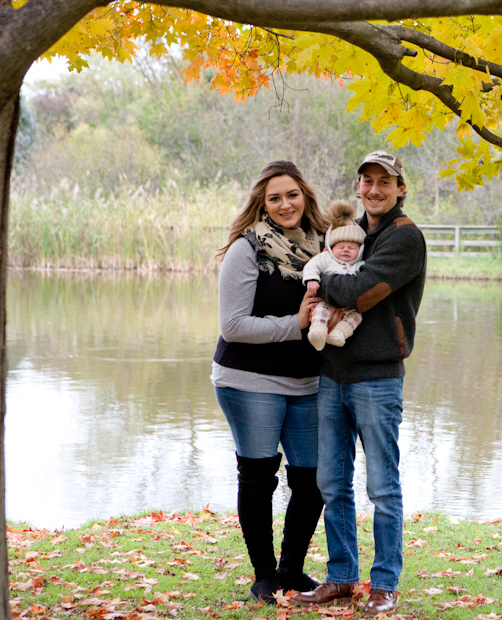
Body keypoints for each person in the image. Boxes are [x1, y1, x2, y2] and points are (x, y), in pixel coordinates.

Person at [292, 150, 426, 615]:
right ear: (358, 186)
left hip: (378, 379)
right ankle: (342, 577)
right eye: (366, 181)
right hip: (332, 375)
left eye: (383, 182)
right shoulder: (352, 237)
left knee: (383, 487)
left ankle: (384, 582)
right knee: (333, 483)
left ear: (400, 188)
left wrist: (316, 284)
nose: (373, 189)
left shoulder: (404, 239)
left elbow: (356, 293)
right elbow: (335, 274)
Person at [212, 160, 337, 603]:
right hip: (250, 379)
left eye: (292, 195)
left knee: (313, 477)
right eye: (274, 198)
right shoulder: (247, 250)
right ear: (261, 204)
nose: (285, 204)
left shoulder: (326, 248)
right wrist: (295, 323)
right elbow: (233, 326)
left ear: (306, 196)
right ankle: (264, 575)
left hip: (308, 381)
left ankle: (291, 570)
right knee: (260, 474)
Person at [303, 200, 366, 351]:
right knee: (320, 309)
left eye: (351, 247)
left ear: (361, 249)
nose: (346, 250)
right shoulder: (326, 258)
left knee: (357, 316)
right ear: (331, 248)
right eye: (340, 247)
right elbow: (312, 265)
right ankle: (318, 331)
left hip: (349, 306)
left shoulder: (360, 265)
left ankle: (339, 334)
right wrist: (312, 279)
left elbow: (364, 280)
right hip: (326, 300)